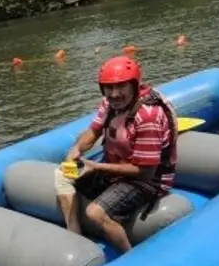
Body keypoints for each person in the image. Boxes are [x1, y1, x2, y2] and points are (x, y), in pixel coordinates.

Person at [57, 56, 178, 253]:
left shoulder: (147, 116)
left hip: (148, 181)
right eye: (109, 88)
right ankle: (76, 238)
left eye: (121, 86)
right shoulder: (109, 104)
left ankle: (128, 255)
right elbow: (94, 131)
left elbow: (145, 172)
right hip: (116, 169)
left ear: (134, 85)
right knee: (62, 176)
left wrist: (96, 167)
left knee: (95, 213)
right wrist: (77, 148)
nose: (114, 94)